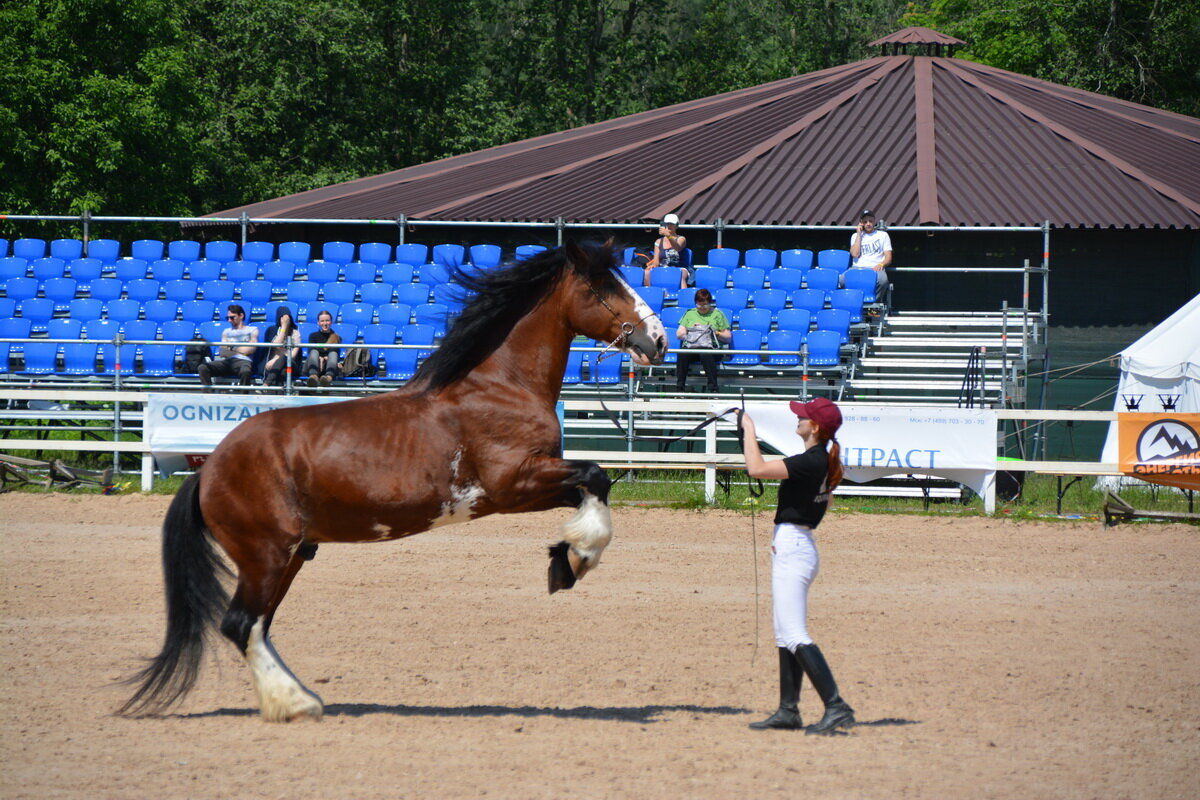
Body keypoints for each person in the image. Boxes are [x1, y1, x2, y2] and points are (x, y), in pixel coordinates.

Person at [738, 397, 855, 734]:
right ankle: (788, 709)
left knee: (793, 633)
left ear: (814, 427)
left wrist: (749, 432)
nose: (799, 419)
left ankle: (836, 705)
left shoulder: (811, 461)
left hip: (794, 548)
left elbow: (757, 469)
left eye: (803, 417)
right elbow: (826, 499)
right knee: (783, 632)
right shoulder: (821, 461)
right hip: (797, 544)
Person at [674, 288, 731, 393]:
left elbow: (728, 337)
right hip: (693, 347)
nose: (702, 308)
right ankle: (679, 388)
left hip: (711, 348)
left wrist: (715, 332)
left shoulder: (718, 314)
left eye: (705, 305)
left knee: (705, 354)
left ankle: (713, 388)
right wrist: (692, 329)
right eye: (699, 305)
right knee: (682, 354)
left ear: (710, 303)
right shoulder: (689, 313)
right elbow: (679, 334)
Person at [198, 304, 259, 392]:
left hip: (243, 361)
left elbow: (250, 349)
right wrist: (241, 349)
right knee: (203, 367)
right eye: (228, 318)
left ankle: (244, 398)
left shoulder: (252, 330)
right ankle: (208, 395)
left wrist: (231, 349)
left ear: (241, 316)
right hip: (228, 361)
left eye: (232, 317)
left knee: (245, 371)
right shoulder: (226, 332)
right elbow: (222, 352)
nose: (229, 320)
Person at [847, 208, 891, 297]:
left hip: (876, 268)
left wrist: (881, 265)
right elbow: (855, 254)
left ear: (874, 221)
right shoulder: (855, 236)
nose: (868, 224)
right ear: (861, 223)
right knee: (842, 280)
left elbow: (888, 257)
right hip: (857, 267)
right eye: (865, 221)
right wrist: (859, 234)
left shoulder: (883, 235)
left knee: (883, 281)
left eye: (870, 221)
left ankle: (875, 304)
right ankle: (854, 301)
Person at [643, 213, 690, 289]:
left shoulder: (681, 239)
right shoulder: (658, 242)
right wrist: (652, 266)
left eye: (672, 224)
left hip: (679, 267)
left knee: (680, 274)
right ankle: (652, 293)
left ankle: (683, 297)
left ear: (677, 226)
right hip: (663, 267)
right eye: (667, 223)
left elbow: (677, 248)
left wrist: (668, 236)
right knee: (647, 273)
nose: (669, 226)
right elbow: (656, 261)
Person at [261, 305, 301, 387]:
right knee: (283, 372)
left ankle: (266, 383)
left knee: (284, 358)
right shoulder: (272, 330)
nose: (285, 320)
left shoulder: (295, 333)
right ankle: (280, 395)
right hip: (277, 366)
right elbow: (277, 345)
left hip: (291, 363)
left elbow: (292, 355)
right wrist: (284, 327)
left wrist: (275, 360)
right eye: (282, 317)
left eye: (287, 317)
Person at [305, 309, 341, 387]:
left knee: (333, 354)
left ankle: (328, 378)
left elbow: (334, 351)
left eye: (327, 321)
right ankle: (313, 376)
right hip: (315, 363)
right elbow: (311, 351)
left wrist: (324, 358)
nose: (325, 323)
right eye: (322, 321)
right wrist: (320, 358)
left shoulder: (336, 337)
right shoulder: (313, 336)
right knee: (314, 352)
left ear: (331, 322)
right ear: (318, 322)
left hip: (330, 364)